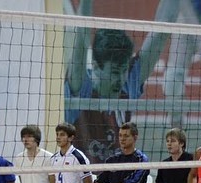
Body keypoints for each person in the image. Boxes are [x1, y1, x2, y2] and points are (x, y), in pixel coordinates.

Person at [66, 0, 177, 163]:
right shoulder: (81, 88)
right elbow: (82, 34)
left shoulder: (127, 82)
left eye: (124, 70)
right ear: (96, 66)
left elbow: (161, 32)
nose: (121, 79)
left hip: (118, 175)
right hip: (83, 176)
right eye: (114, 72)